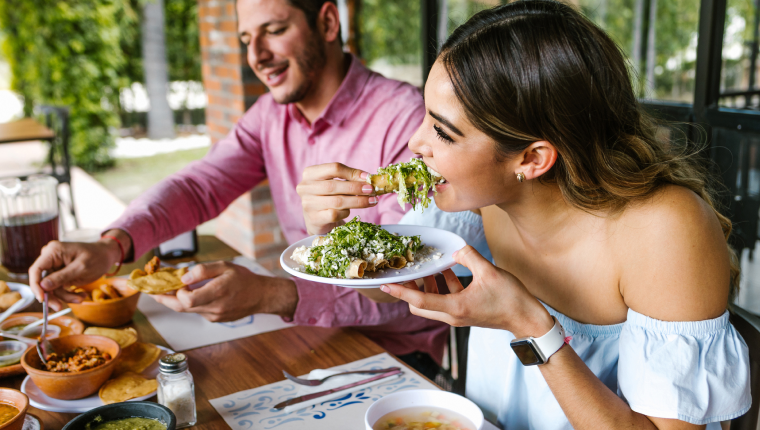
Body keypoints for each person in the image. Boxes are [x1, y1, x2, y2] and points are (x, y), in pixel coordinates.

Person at [307, 1, 751, 429]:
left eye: (442, 132)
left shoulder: (666, 230)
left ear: (532, 159)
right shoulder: (481, 197)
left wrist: (529, 325)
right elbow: (393, 288)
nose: (414, 144)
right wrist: (332, 238)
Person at [27, 0, 447, 378]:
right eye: (247, 38)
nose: (256, 56)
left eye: (275, 30)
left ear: (328, 22)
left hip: (396, 358)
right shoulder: (269, 115)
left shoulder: (404, 120)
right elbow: (199, 186)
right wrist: (113, 245)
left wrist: (273, 294)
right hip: (308, 337)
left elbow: (409, 284)